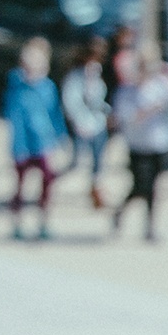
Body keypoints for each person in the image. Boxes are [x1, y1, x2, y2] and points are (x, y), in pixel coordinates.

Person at [111, 43, 168, 243]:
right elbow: (124, 116)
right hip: (138, 145)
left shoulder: (160, 84)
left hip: (159, 143)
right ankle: (121, 210)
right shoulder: (128, 89)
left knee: (154, 187)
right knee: (141, 186)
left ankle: (149, 228)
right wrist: (148, 111)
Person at [4, 37, 67, 240]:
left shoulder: (48, 87)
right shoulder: (17, 90)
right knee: (21, 185)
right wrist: (18, 147)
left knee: (48, 181)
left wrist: (60, 136)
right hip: (24, 145)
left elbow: (54, 113)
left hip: (44, 142)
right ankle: (17, 223)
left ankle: (44, 222)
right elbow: (14, 119)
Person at [60, 36, 112, 210]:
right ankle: (50, 181)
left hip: (97, 124)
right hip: (82, 125)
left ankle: (96, 192)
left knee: (98, 163)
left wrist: (107, 113)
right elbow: (71, 102)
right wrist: (79, 122)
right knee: (76, 162)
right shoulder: (75, 76)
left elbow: (98, 99)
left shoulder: (96, 74)